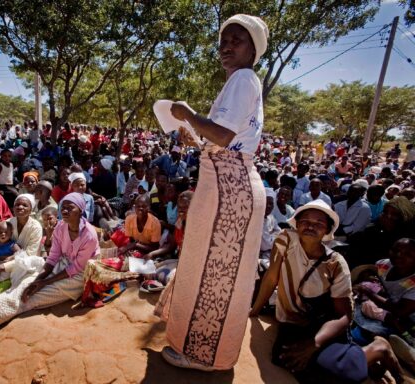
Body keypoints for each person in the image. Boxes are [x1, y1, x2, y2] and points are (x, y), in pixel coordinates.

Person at [156, 14, 268, 371]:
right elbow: (221, 139)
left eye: (237, 39)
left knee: (217, 275)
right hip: (227, 185)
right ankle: (202, 346)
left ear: (254, 49)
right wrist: (195, 134)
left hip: (230, 189)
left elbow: (222, 137)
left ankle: (205, 355)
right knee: (211, 269)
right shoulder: (241, 82)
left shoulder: (244, 78)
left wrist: (187, 114)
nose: (227, 46)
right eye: (224, 40)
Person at [250, 200, 404, 383]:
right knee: (285, 358)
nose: (310, 226)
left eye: (318, 224)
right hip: (293, 321)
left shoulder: (335, 264)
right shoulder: (285, 240)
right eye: (305, 221)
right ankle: (356, 357)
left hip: (323, 324)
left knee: (338, 375)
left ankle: (377, 349)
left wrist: (314, 343)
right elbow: (271, 277)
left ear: (327, 231)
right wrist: (255, 311)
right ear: (296, 224)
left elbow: (344, 316)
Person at [0, 193, 100, 337]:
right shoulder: (60, 227)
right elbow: (53, 257)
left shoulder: (89, 235)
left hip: (78, 276)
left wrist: (44, 282)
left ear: (80, 211)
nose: (65, 210)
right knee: (24, 288)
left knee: (31, 299)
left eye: (70, 207)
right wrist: (38, 280)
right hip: (60, 265)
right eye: (63, 207)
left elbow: (76, 268)